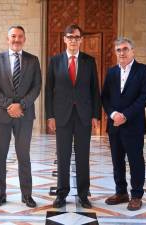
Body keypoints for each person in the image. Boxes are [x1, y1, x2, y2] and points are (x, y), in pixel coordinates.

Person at [45, 24, 101, 209]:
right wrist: (50, 116)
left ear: (81, 40)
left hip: (84, 116)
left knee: (83, 157)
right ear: (65, 39)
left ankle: (84, 195)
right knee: (63, 156)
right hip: (62, 116)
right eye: (70, 37)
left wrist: (95, 115)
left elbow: (95, 89)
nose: (73, 40)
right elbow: (48, 90)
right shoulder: (54, 61)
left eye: (77, 37)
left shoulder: (89, 61)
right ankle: (62, 194)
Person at [0, 25, 41, 208]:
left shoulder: (33, 60)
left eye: (20, 36)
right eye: (13, 36)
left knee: (23, 155)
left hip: (24, 115)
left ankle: (27, 195)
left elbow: (36, 87)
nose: (16, 39)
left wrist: (22, 105)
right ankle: (0, 194)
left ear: (24, 39)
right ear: (7, 38)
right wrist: (9, 105)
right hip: (1, 115)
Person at [101, 37, 146, 211]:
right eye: (118, 50)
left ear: (132, 51)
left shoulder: (144, 71)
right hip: (114, 126)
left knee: (136, 161)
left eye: (125, 49)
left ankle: (136, 195)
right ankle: (121, 192)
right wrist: (114, 114)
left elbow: (145, 97)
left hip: (134, 125)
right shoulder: (111, 72)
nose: (122, 53)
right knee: (117, 161)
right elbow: (105, 97)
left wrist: (126, 115)